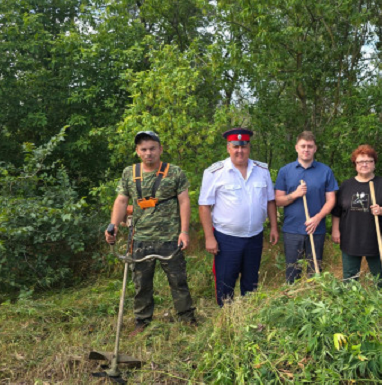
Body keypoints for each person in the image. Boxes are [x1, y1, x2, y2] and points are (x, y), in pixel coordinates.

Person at [105, 131, 196, 336]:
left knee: (178, 281)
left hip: (170, 238)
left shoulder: (175, 172)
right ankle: (142, 322)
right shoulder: (129, 173)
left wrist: (184, 232)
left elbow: (184, 201)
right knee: (141, 283)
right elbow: (121, 200)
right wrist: (114, 225)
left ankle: (187, 319)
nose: (148, 153)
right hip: (140, 238)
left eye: (152, 148)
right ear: (137, 152)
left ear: (160, 149)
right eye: (144, 149)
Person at [198, 127, 279, 307]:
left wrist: (274, 227)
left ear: (249, 148)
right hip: (227, 238)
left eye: (243, 146)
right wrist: (209, 237)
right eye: (235, 147)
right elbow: (204, 206)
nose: (240, 151)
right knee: (225, 281)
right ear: (228, 148)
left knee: (251, 282)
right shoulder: (215, 172)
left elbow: (270, 201)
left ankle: (248, 316)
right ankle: (226, 317)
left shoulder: (262, 170)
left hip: (255, 237)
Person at [274, 131, 339, 283]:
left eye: (310, 146)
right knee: (292, 273)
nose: (306, 149)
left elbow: (331, 200)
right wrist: (295, 194)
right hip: (292, 230)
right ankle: (292, 296)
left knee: (315, 272)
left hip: (316, 229)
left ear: (315, 148)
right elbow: (278, 201)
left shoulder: (325, 171)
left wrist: (317, 218)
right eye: (303, 146)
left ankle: (313, 296)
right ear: (296, 148)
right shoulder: (285, 171)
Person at [331, 144, 382, 284]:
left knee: (380, 277)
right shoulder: (346, 185)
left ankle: (381, 297)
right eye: (360, 161)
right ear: (355, 165)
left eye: (369, 161)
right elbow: (337, 211)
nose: (364, 164)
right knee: (349, 278)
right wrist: (335, 230)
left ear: (374, 164)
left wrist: (381, 210)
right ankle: (351, 298)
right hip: (350, 238)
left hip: (375, 239)